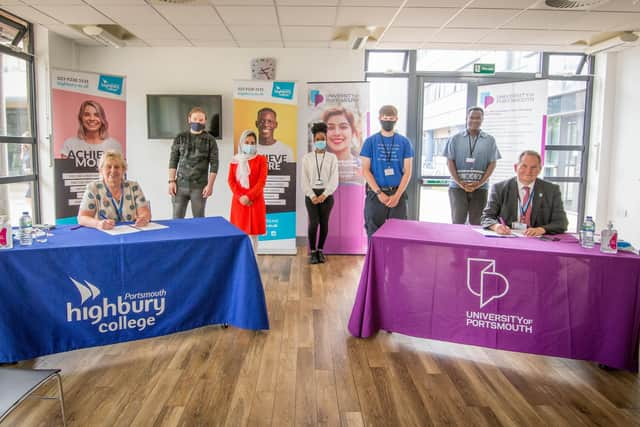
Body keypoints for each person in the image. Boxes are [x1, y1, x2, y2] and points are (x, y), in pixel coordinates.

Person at [481, 150, 568, 236]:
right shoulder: (499, 188)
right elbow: (487, 217)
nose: (528, 171)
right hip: (508, 237)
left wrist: (541, 229)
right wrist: (496, 226)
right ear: (516, 167)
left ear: (540, 169)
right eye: (524, 166)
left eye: (533, 167)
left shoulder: (551, 190)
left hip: (538, 241)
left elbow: (561, 222)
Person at [360, 105, 414, 238]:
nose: (388, 121)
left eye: (391, 118)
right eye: (385, 118)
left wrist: (397, 196)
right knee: (373, 233)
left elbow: (407, 172)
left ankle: (394, 260)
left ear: (396, 119)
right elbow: (365, 170)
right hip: (376, 194)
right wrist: (379, 193)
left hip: (398, 194)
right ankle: (375, 259)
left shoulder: (405, 142)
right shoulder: (370, 142)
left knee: (398, 234)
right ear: (379, 118)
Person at [445, 106, 500, 225]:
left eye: (478, 118)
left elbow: (492, 163)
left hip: (480, 188)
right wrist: (460, 183)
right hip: (457, 188)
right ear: (466, 118)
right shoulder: (455, 139)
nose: (474, 120)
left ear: (482, 119)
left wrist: (480, 183)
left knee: (477, 222)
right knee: (458, 221)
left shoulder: (490, 140)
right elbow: (450, 162)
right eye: (472, 117)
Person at [77, 150, 150, 230]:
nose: (113, 170)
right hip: (104, 235)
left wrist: (144, 219)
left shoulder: (133, 187)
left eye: (117, 167)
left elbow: (145, 212)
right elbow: (82, 218)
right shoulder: (93, 188)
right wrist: (98, 224)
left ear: (123, 170)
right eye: (108, 167)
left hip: (131, 234)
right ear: (101, 170)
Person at [168, 107, 219, 218]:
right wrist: (171, 181)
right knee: (177, 220)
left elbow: (214, 164)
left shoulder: (210, 140)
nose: (197, 122)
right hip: (179, 186)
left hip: (200, 188)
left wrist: (210, 185)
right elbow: (173, 160)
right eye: (195, 119)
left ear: (205, 121)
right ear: (189, 119)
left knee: (199, 220)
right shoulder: (180, 137)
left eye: (200, 120)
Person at [301, 122, 339, 264]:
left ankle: (320, 251)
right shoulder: (307, 158)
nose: (320, 142)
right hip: (311, 195)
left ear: (326, 139)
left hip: (326, 195)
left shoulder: (332, 158)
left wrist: (325, 194)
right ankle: (312, 252)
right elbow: (304, 179)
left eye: (322, 139)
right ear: (313, 140)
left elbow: (334, 178)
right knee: (313, 222)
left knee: (324, 223)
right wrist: (312, 195)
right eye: (317, 139)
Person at [228, 130, 268, 253]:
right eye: (247, 142)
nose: (250, 145)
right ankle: (241, 263)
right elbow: (231, 181)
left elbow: (261, 182)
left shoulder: (261, 159)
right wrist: (241, 197)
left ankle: (253, 262)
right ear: (241, 143)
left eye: (252, 142)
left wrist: (249, 197)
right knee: (239, 234)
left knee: (254, 234)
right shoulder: (235, 160)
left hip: (254, 201)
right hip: (239, 203)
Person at [321, 107, 363, 184]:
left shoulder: (363, 166)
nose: (337, 133)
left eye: (343, 127)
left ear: (353, 132)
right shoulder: (317, 166)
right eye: (330, 128)